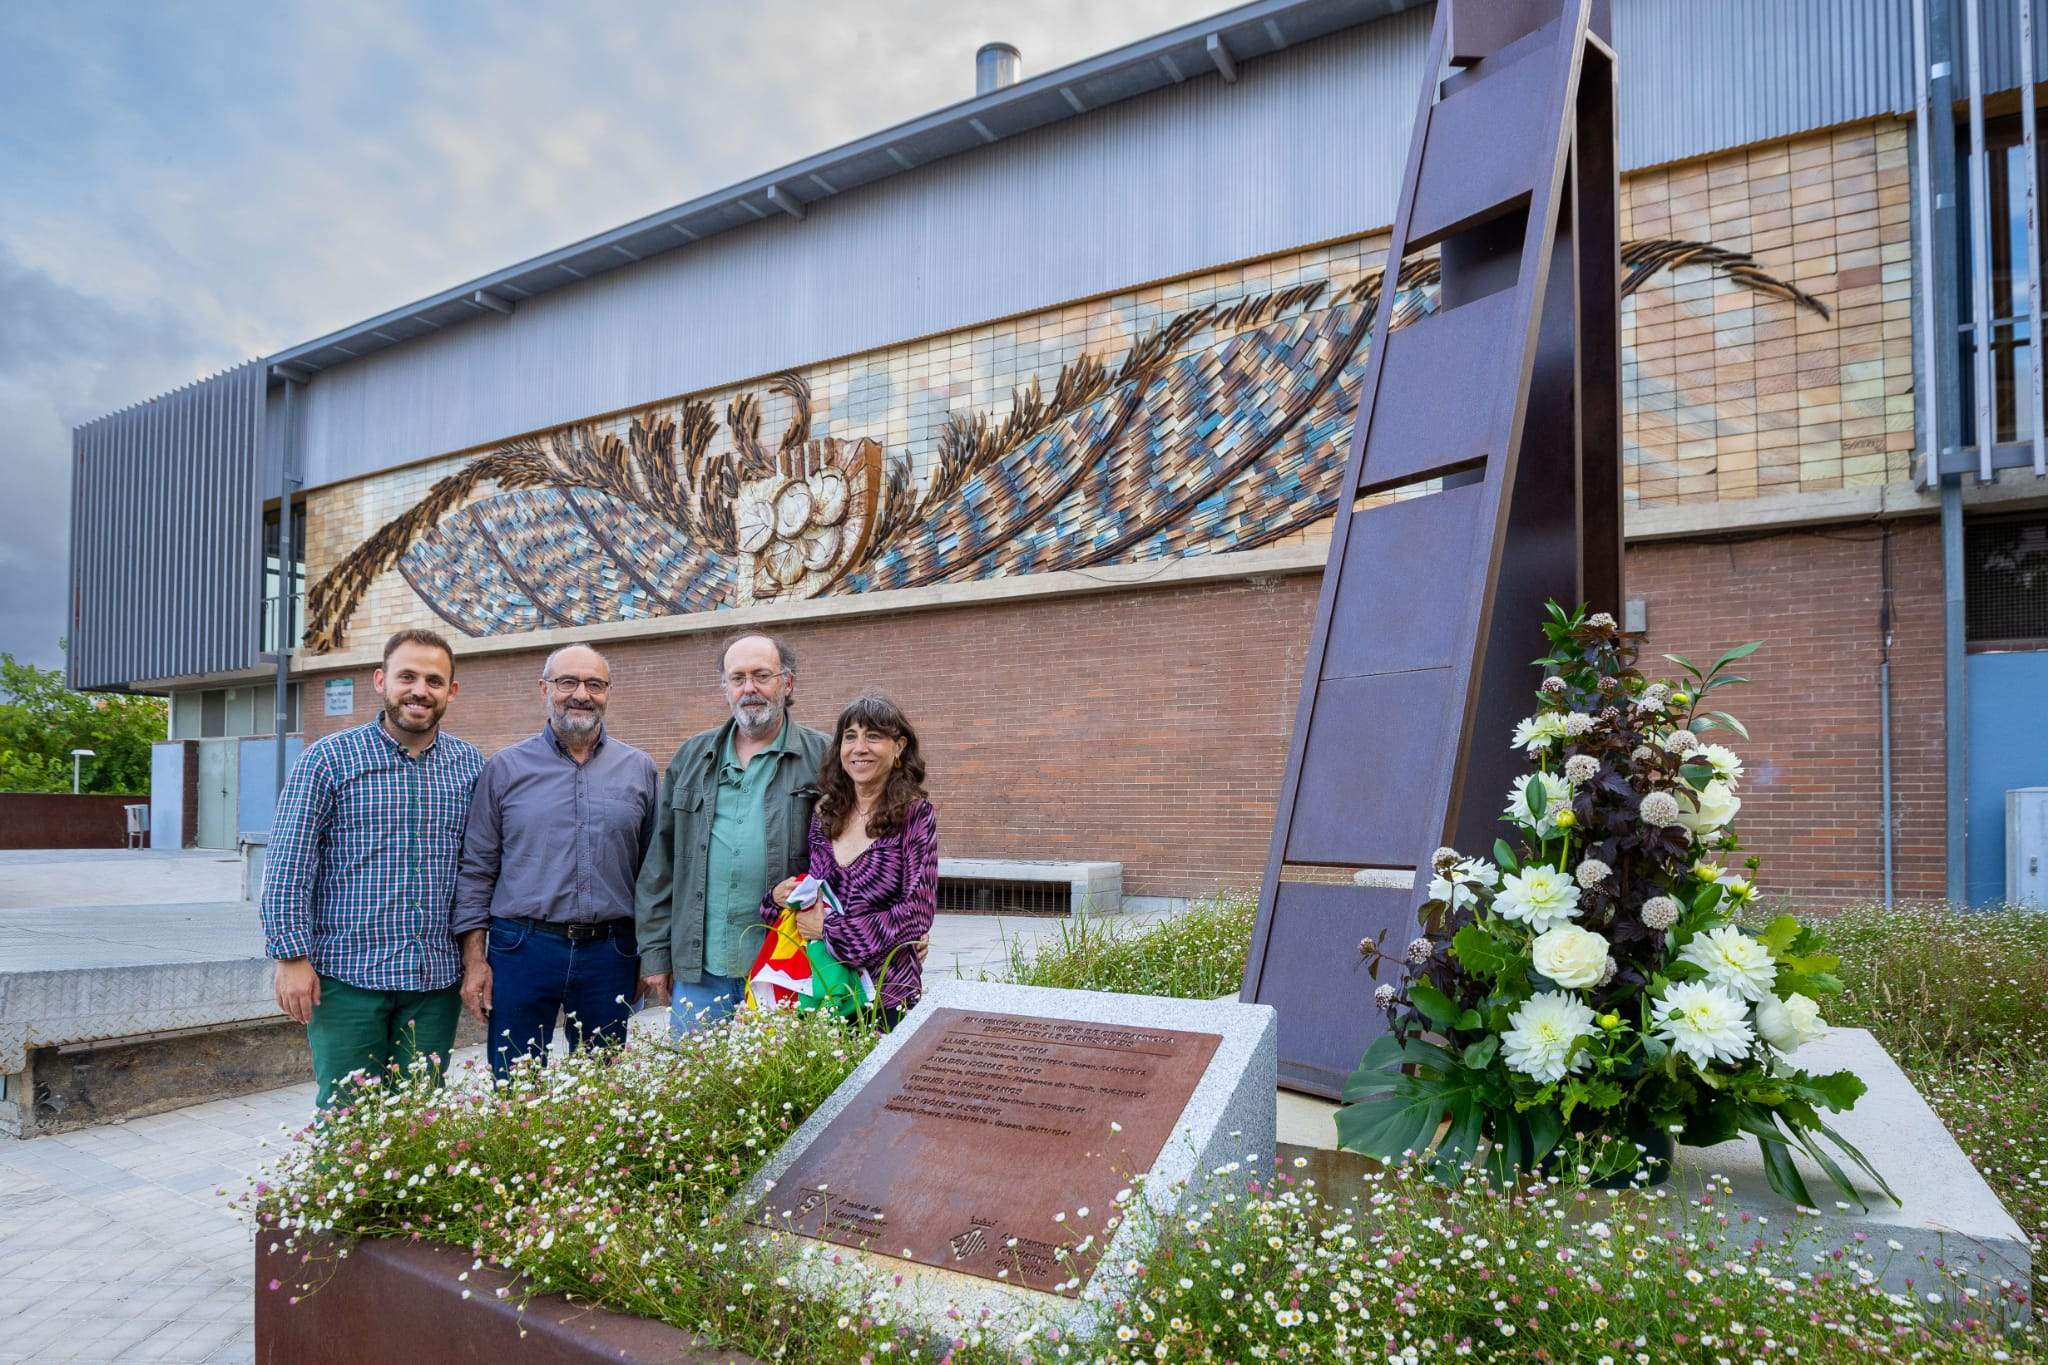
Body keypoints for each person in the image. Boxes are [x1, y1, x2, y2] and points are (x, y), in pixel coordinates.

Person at [260, 629, 485, 1108]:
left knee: (419, 1117)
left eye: (434, 680)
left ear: (451, 691)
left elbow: (478, 872)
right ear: (381, 680)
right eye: (407, 677)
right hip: (348, 978)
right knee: (349, 1116)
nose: (419, 690)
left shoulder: (470, 767)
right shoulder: (328, 760)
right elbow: (288, 865)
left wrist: (475, 961)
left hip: (433, 981)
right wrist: (290, 958)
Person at [453, 644, 658, 1079]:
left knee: (601, 1087)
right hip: (522, 949)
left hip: (611, 952)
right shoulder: (505, 768)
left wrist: (650, 953)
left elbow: (653, 872)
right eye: (568, 682)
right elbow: (476, 869)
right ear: (544, 689)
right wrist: (474, 961)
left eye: (594, 684)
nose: (581, 694)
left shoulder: (639, 769)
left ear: (608, 692)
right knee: (516, 1083)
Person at [635, 633, 831, 1032]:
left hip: (787, 967)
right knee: (695, 1071)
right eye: (737, 678)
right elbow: (660, 864)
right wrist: (655, 954)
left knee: (785, 1073)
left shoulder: (824, 758)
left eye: (762, 675)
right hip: (702, 970)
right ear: (725, 687)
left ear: (787, 683)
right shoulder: (691, 757)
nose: (749, 688)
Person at [767, 692, 938, 1026]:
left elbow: (917, 913)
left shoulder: (915, 815)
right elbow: (813, 895)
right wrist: (777, 899)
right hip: (825, 988)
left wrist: (831, 932)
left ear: (899, 747)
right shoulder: (826, 812)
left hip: (887, 993)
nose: (859, 748)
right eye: (850, 737)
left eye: (873, 736)